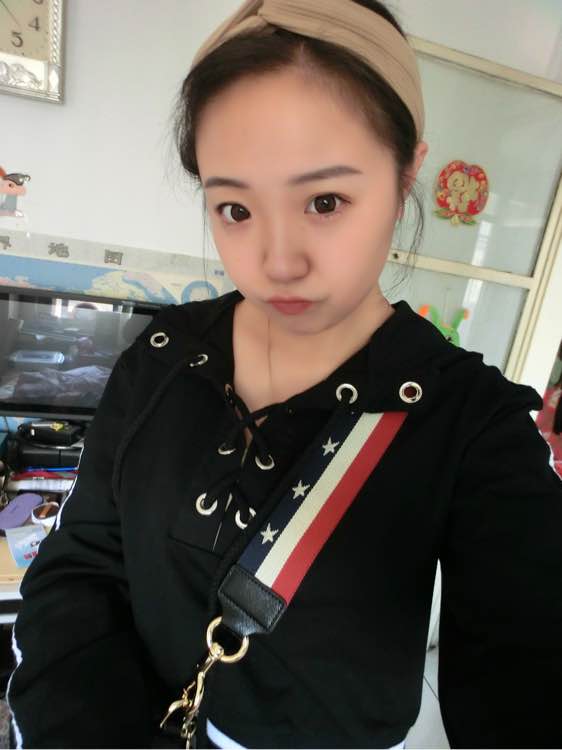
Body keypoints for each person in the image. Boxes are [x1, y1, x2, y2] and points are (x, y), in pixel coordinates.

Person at [6, 0, 562, 748]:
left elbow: (526, 672)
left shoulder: (471, 424)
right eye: (234, 209)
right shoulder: (162, 357)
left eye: (325, 201)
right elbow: (80, 571)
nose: (276, 262)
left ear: (406, 174)